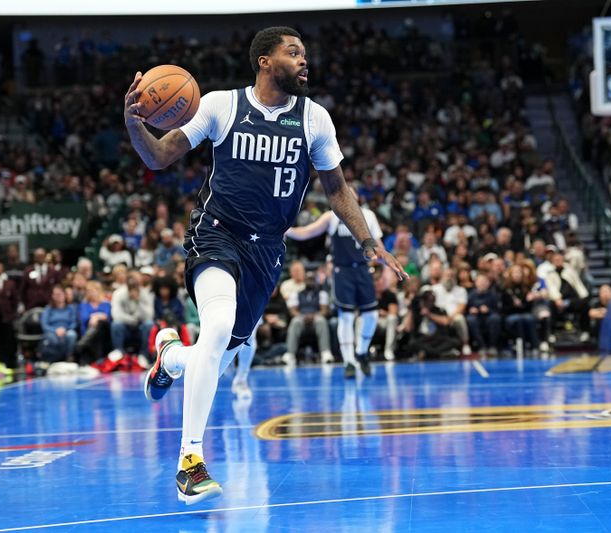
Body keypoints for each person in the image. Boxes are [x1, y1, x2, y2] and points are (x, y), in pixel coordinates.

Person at [126, 26, 405, 504]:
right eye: (293, 52)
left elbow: (336, 190)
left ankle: (170, 357)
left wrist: (368, 241)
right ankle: (190, 462)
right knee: (216, 329)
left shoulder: (315, 119)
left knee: (214, 357)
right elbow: (159, 156)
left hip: (266, 251)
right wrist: (135, 124)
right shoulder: (220, 105)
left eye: (305, 54)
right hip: (216, 233)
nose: (303, 61)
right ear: (264, 60)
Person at [285, 187, 384, 377]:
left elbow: (378, 246)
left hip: (363, 269)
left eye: (351, 193)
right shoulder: (331, 217)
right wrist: (286, 230)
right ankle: (348, 361)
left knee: (371, 316)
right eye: (343, 193)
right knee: (346, 317)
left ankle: (362, 352)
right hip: (342, 271)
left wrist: (387, 265)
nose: (347, 195)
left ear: (357, 197)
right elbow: (306, 232)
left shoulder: (369, 215)